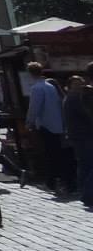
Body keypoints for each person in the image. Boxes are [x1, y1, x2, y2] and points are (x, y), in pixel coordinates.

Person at [25, 64, 67, 193]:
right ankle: (59, 179)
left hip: (45, 124)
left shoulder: (36, 88)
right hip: (56, 123)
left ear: (30, 74)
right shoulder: (50, 86)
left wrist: (29, 122)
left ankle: (51, 182)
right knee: (56, 153)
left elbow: (34, 107)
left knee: (49, 154)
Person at [62, 75, 93, 210]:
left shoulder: (70, 98)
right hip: (83, 136)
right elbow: (87, 116)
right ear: (69, 86)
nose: (79, 86)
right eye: (76, 84)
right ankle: (87, 194)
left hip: (79, 136)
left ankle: (84, 191)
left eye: (80, 83)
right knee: (88, 164)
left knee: (84, 164)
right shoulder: (74, 99)